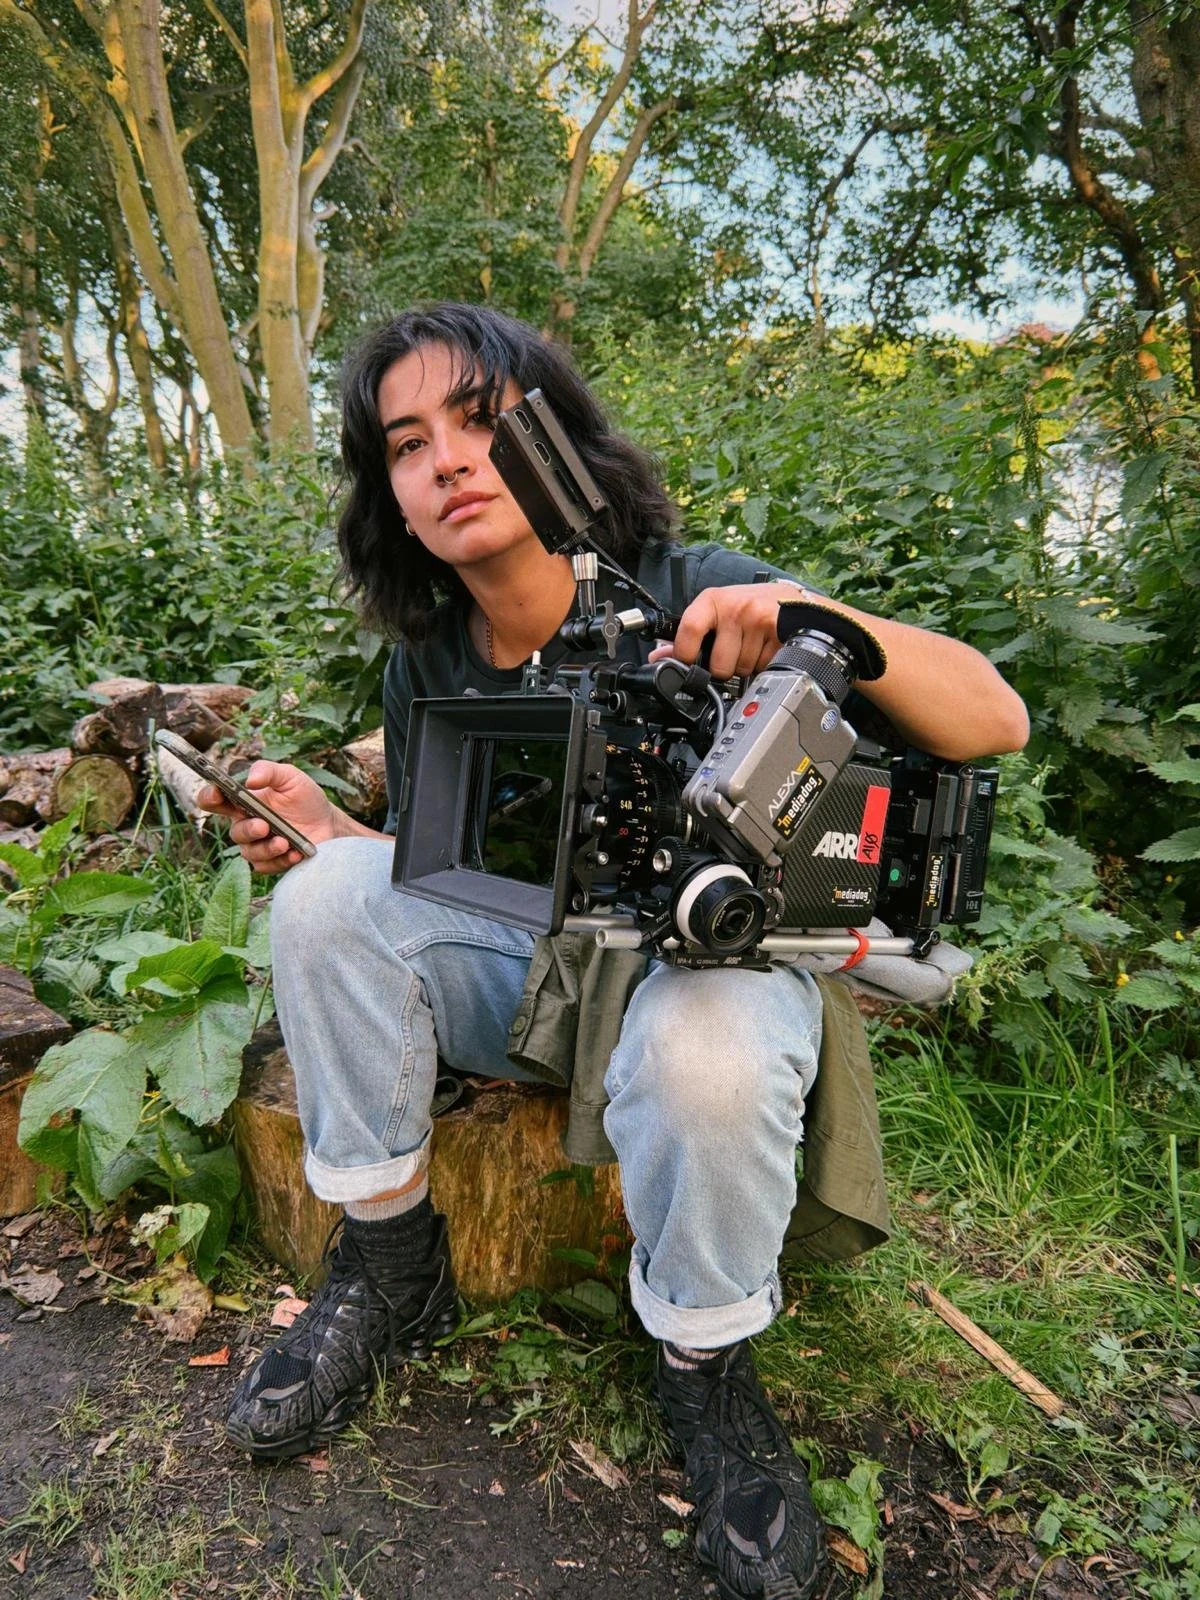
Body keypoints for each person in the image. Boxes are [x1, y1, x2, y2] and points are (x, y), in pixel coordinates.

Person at [201, 303, 1028, 1600]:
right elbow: (436, 883)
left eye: (481, 421)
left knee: (707, 1054)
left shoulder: (700, 593)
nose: (449, 460)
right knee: (323, 899)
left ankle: (705, 1368)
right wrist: (327, 832)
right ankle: (392, 1269)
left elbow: (994, 718)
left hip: (698, 985)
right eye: (408, 443)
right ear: (392, 497)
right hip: (533, 985)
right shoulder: (428, 661)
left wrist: (810, 614)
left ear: (560, 447)